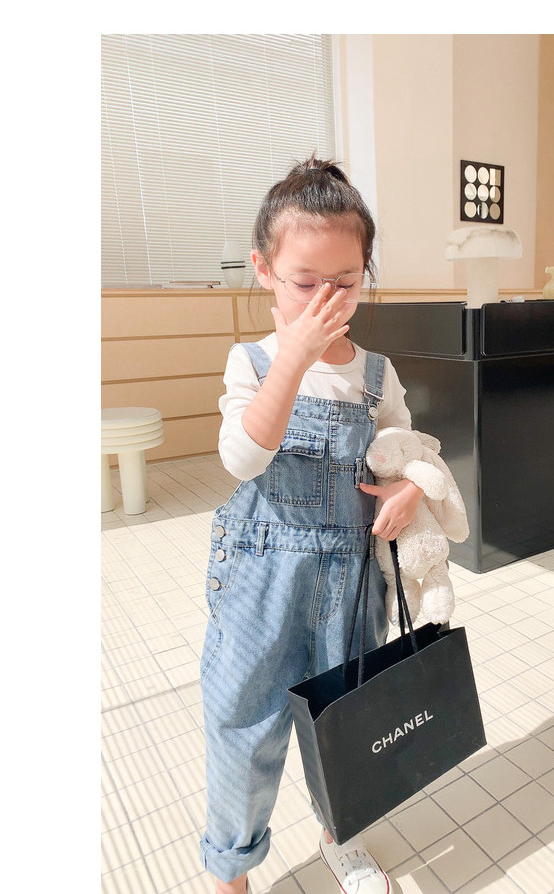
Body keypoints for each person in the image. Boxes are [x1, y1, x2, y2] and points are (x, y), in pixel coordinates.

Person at [200, 156, 424, 894]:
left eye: (346, 282)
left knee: (347, 721)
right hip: (261, 580)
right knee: (244, 727)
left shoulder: (376, 375)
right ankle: (231, 870)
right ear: (264, 270)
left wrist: (408, 489)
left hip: (350, 578)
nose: (327, 300)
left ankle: (341, 836)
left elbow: (409, 453)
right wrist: (292, 359)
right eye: (305, 283)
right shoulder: (251, 362)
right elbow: (243, 456)